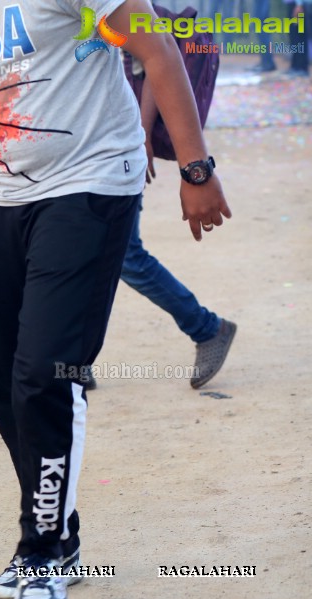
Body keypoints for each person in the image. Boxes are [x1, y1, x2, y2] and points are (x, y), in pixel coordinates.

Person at [0, 0, 231, 599]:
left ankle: (39, 557)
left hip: (89, 184)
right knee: (5, 385)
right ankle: (57, 535)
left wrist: (196, 170)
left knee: (46, 376)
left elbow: (157, 50)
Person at [114, 52, 236, 391]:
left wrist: (142, 131)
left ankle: (207, 328)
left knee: (125, 254)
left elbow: (154, 56)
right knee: (82, 253)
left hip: (111, 145)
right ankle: (72, 360)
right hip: (71, 151)